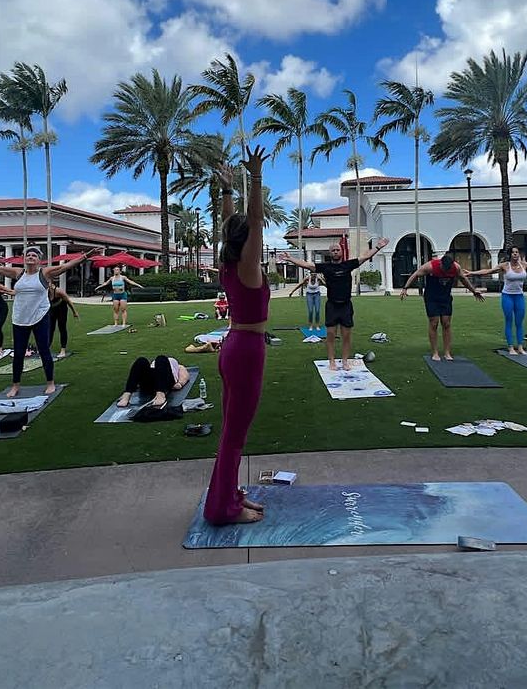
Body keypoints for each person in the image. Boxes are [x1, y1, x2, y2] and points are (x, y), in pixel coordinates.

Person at [204, 147, 272, 526]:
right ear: (248, 240)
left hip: (234, 347)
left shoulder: (229, 262)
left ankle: (229, 496)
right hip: (245, 351)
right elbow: (256, 222)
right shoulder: (246, 264)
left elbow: (232, 224)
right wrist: (256, 177)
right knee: (234, 435)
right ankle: (222, 510)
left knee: (231, 431)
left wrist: (227, 189)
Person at [0, 246, 97, 397]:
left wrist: (86, 255)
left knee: (44, 351)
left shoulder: (44, 273)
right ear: (24, 259)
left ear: (39, 260)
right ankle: (15, 385)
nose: (30, 257)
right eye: (28, 255)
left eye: (34, 255)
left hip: (40, 317)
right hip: (20, 318)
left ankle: (50, 382)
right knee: (19, 353)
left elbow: (65, 266)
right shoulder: (18, 273)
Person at [279, 237, 389, 371]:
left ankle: (344, 361)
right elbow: (307, 265)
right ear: (330, 253)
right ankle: (331, 361)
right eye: (333, 250)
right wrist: (291, 259)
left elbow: (365, 257)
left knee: (346, 336)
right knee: (330, 335)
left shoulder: (347, 265)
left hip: (346, 305)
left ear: (341, 252)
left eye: (338, 250)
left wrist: (378, 247)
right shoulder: (326, 267)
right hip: (332, 306)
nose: (336, 252)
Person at [466, 247, 527, 355]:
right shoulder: (505, 266)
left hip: (519, 297)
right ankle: (511, 347)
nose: (515, 254)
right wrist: (471, 273)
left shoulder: (524, 265)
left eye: (517, 252)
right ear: (510, 255)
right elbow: (488, 271)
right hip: (507, 296)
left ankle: (520, 347)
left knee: (519, 323)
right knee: (509, 321)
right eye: (513, 253)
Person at [399, 252, 484, 360]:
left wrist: (473, 291)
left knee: (446, 323)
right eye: (444, 269)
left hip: (445, 297)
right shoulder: (430, 266)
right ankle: (435, 352)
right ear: (440, 264)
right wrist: (405, 288)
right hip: (431, 297)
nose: (446, 271)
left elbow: (463, 279)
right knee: (434, 323)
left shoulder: (456, 267)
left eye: (448, 270)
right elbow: (415, 274)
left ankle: (447, 352)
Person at [116, 354, 191, 409]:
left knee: (161, 358)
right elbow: (137, 371)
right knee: (141, 360)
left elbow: (185, 373)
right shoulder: (155, 364)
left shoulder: (175, 365)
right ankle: (127, 395)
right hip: (151, 381)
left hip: (166, 382)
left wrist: (180, 383)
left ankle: (160, 395)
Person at [48, 284, 79, 359]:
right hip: (52, 309)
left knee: (62, 327)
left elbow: (68, 301)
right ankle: (46, 347)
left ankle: (63, 350)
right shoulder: (43, 291)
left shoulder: (59, 291)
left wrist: (75, 312)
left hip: (62, 309)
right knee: (50, 328)